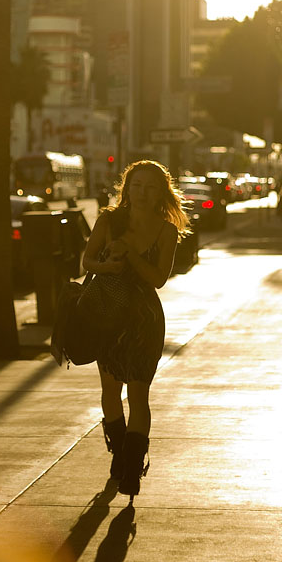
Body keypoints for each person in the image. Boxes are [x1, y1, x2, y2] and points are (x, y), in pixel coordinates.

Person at [81, 160, 190, 499]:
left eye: (151, 187)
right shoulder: (109, 221)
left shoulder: (166, 230)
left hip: (144, 320)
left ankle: (131, 472)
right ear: (127, 188)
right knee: (111, 391)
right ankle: (120, 454)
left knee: (139, 396)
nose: (143, 193)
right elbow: (87, 262)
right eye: (137, 185)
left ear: (162, 192)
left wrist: (130, 256)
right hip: (108, 315)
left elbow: (159, 278)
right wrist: (109, 265)